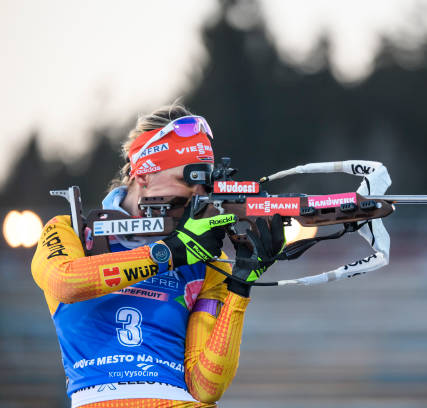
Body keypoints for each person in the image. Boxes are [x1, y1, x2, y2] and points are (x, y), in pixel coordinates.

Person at [31, 102, 285, 407]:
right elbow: (64, 282)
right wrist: (171, 253)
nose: (197, 196)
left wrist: (240, 285)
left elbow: (206, 385)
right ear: (144, 175)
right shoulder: (71, 231)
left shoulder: (206, 261)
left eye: (205, 185)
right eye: (187, 180)